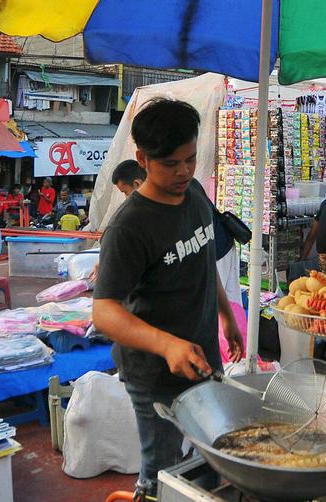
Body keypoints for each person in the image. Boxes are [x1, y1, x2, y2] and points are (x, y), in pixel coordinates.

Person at [92, 98, 244, 500]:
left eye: (190, 160)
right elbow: (104, 312)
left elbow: (203, 256)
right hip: (155, 373)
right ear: (142, 158)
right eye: (170, 164)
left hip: (202, 356)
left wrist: (226, 315)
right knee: (163, 473)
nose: (184, 172)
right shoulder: (129, 227)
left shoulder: (193, 193)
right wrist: (167, 344)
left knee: (213, 458)